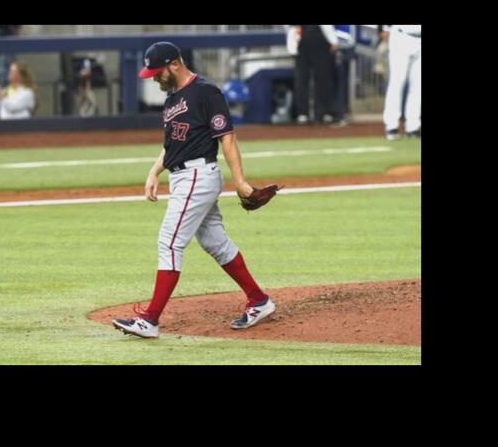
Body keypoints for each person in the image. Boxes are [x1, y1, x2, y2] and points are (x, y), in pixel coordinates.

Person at [112, 41, 276, 339]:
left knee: (169, 243)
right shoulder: (172, 98)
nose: (153, 77)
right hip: (182, 177)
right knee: (216, 243)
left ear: (175, 64)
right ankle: (259, 300)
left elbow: (227, 137)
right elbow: (172, 143)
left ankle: (150, 320)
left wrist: (239, 181)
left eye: (157, 72)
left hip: (197, 175)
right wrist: (154, 171)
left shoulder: (205, 91)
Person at [291, 25, 342, 125]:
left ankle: (304, 114)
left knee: (306, 79)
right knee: (321, 79)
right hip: (313, 39)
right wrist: (333, 40)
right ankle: (322, 113)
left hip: (304, 39)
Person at [381, 25, 421, 140]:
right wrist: (385, 29)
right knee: (397, 83)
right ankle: (391, 126)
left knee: (417, 87)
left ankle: (413, 127)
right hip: (401, 37)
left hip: (419, 40)